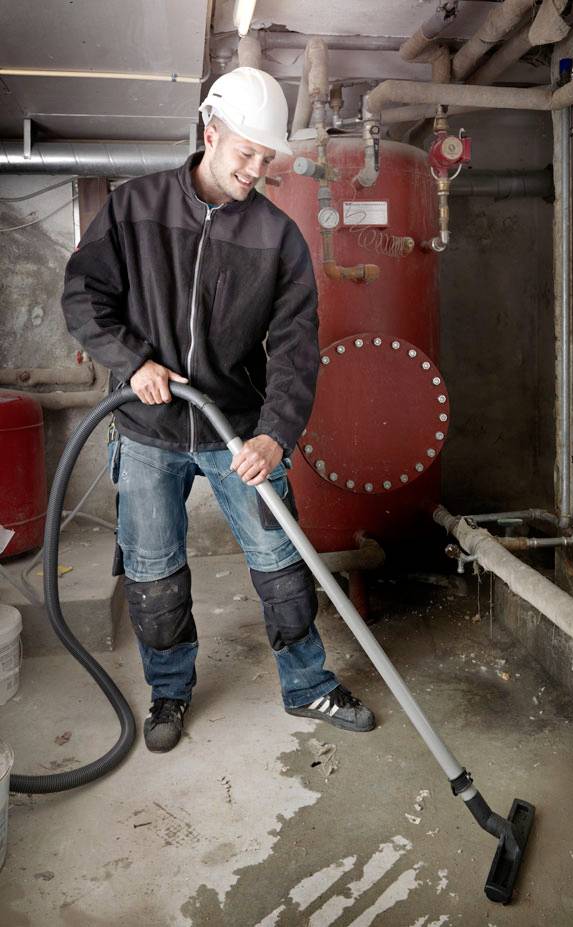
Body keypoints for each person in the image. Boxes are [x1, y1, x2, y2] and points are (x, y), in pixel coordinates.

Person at [61, 67, 375, 753]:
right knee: (153, 570)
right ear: (210, 135)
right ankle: (168, 690)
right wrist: (132, 361)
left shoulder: (278, 236)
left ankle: (308, 682)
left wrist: (275, 435)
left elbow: (296, 348)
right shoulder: (133, 208)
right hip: (148, 427)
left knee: (281, 559)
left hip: (236, 428)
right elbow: (84, 294)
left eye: (267, 159)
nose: (256, 170)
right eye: (245, 154)